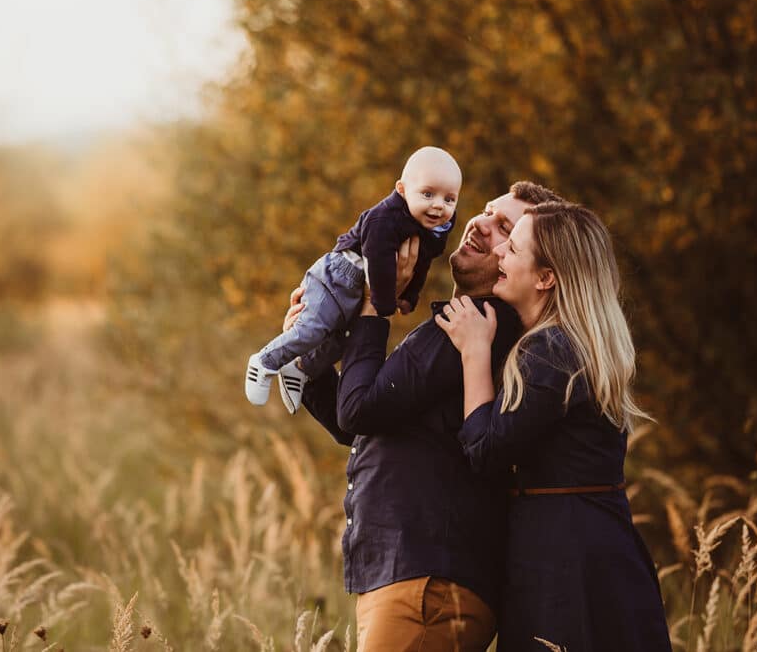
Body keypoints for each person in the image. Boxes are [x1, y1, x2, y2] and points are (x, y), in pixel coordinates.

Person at [291, 182, 564, 650]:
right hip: (417, 584)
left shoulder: (479, 325)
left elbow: (359, 410)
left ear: (525, 261)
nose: (480, 223)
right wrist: (308, 355)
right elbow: (363, 422)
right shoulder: (464, 328)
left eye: (505, 229)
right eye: (485, 212)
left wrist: (376, 304)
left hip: (428, 588)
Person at [436, 201, 672, 651]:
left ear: (546, 278)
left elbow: (485, 450)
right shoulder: (570, 343)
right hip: (590, 546)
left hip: (566, 561)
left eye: (514, 247)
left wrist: (474, 351)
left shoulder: (549, 350)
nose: (500, 252)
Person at [246, 146, 461, 414]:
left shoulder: (436, 229)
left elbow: (422, 263)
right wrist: (383, 303)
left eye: (449, 199)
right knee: (313, 329)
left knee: (343, 341)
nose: (439, 205)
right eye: (427, 194)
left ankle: (300, 369)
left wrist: (409, 296)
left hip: (364, 286)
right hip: (339, 275)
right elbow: (377, 258)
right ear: (402, 190)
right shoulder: (385, 217)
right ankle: (263, 362)